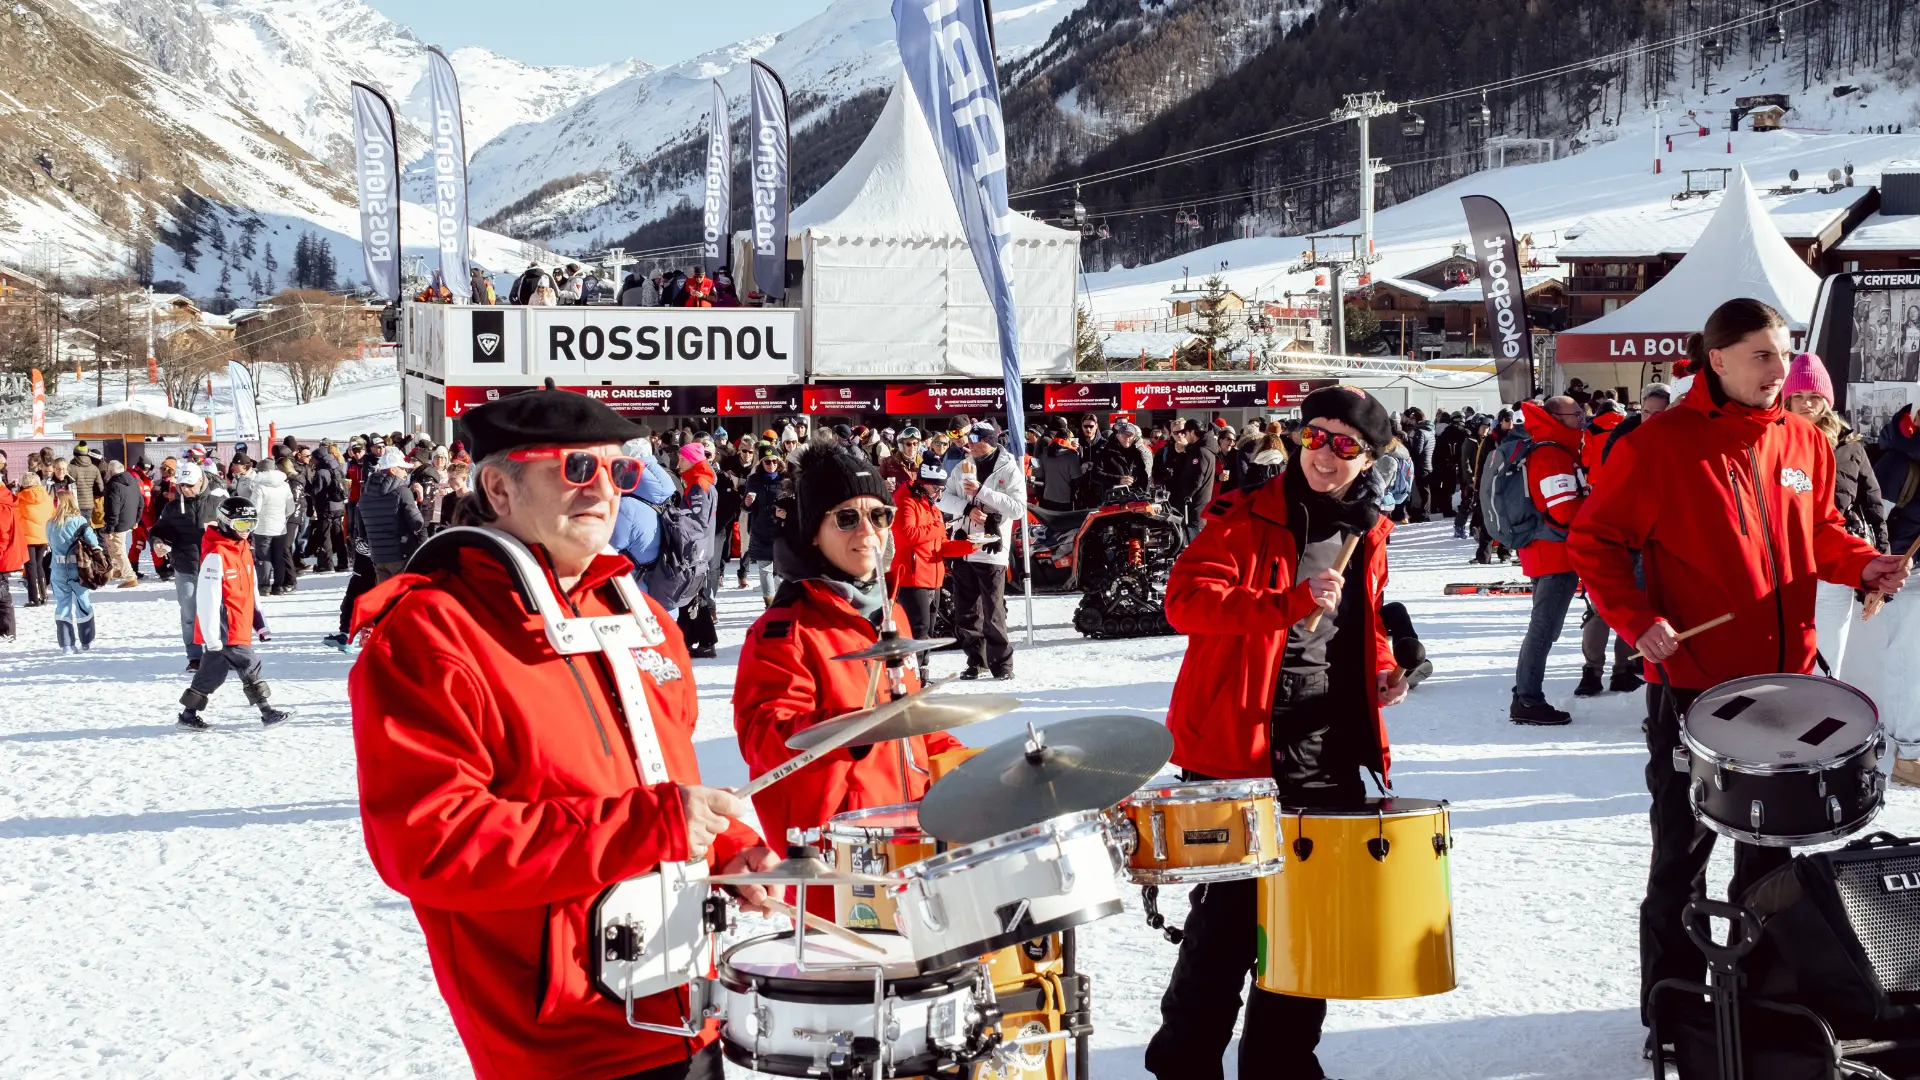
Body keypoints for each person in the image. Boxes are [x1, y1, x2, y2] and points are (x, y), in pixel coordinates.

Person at [348, 387, 775, 1080]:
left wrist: (726, 847)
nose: (603, 490)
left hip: (685, 1006)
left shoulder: (644, 618)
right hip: (561, 1043)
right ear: (499, 487)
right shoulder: (431, 632)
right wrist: (653, 825)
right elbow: (430, 843)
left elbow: (654, 784)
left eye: (621, 472)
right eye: (578, 468)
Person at [1566, 297, 1907, 1035]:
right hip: (1697, 687)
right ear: (1715, 359)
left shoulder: (1803, 442)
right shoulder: (1660, 443)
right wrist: (1636, 618)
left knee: (1774, 859)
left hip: (1788, 681)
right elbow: (1592, 540)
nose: (1777, 370)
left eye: (1783, 355)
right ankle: (1676, 1006)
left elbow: (1818, 533)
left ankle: (1759, 1002)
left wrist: (1865, 564)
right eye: (1760, 355)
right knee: (1683, 856)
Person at [1145, 386, 1406, 1080]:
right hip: (1238, 748)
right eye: (1314, 435)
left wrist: (1382, 669)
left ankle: (1282, 1065)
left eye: (1344, 444)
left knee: (1307, 928)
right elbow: (1186, 602)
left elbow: (1361, 624)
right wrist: (1288, 602)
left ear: (1369, 458)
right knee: (1224, 929)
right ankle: (1185, 1064)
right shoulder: (1245, 514)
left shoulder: (1366, 529)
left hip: (1325, 749)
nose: (1324, 452)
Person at [733, 442, 964, 918]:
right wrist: (852, 726)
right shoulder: (786, 628)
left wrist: (967, 762)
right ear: (812, 532)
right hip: (837, 863)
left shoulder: (889, 612)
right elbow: (764, 737)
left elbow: (910, 723)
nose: (868, 532)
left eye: (879, 516)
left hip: (908, 848)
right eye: (845, 518)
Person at [1505, 396, 1590, 726]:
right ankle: (1527, 698)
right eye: (1577, 413)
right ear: (1557, 418)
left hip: (1546, 551)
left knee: (1542, 629)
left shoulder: (1550, 449)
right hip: (1554, 554)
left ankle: (1525, 696)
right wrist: (1595, 503)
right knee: (1542, 631)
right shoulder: (1552, 454)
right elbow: (1564, 510)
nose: (1583, 418)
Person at [175, 497, 287, 730]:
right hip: (223, 625)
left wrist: (261, 623)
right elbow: (207, 599)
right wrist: (211, 636)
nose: (247, 531)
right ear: (226, 523)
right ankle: (267, 712)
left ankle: (188, 714)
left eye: (251, 525)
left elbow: (251, 590)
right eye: (241, 525)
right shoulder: (216, 554)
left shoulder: (243, 548)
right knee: (249, 663)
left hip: (240, 621)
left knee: (212, 672)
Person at [942, 422, 1024, 680]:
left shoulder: (1009, 469)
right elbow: (943, 498)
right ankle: (976, 660)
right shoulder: (962, 466)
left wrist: (983, 492)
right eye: (971, 441)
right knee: (966, 610)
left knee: (993, 610)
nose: (973, 446)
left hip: (991, 549)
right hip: (964, 546)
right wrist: (966, 509)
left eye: (979, 442)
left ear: (993, 440)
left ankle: (1002, 664)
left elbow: (1018, 509)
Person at [890, 462, 972, 681]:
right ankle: (911, 677)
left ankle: (922, 675)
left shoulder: (931, 507)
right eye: (937, 488)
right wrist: (938, 527)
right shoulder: (906, 502)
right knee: (917, 631)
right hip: (912, 577)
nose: (940, 492)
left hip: (933, 576)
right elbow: (907, 535)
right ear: (925, 484)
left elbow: (942, 545)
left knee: (928, 631)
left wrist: (971, 546)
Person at [150, 462, 226, 671]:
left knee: (219, 612)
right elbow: (159, 530)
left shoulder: (219, 501)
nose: (185, 489)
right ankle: (195, 657)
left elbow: (236, 531)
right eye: (182, 485)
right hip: (185, 566)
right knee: (189, 614)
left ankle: (222, 654)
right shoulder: (173, 507)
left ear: (202, 480)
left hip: (214, 567)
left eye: (190, 485)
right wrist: (158, 543)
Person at [609, 448, 678, 599]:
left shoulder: (625, 506)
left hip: (636, 598)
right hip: (664, 591)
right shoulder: (669, 487)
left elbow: (606, 551)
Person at [673, 442, 720, 658]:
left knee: (691, 594)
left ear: (692, 460)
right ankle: (699, 640)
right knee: (694, 594)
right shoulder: (699, 482)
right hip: (701, 549)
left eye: (682, 459)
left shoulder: (698, 485)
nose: (678, 463)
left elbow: (697, 522)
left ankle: (701, 640)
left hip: (696, 550)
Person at [359, 448, 425, 583]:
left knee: (385, 599)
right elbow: (418, 522)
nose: (406, 473)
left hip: (378, 556)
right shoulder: (402, 492)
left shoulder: (364, 495)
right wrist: (420, 502)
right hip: (401, 554)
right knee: (402, 597)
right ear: (392, 470)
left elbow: (361, 530)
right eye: (403, 469)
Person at [45, 490, 99, 653]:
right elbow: (94, 542)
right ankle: (86, 640)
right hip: (78, 569)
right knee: (83, 603)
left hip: (57, 569)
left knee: (62, 605)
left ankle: (66, 644)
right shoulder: (79, 521)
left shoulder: (49, 523)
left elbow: (50, 544)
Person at [738, 446, 785, 604]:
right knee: (765, 569)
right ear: (761, 463)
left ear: (779, 462)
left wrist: (786, 513)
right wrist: (747, 502)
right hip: (761, 529)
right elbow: (746, 507)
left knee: (783, 570)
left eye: (774, 461)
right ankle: (770, 603)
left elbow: (796, 504)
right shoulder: (754, 480)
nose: (771, 464)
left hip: (782, 531)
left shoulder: (786, 480)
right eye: (767, 462)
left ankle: (784, 602)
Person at [250, 457, 295, 595]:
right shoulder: (284, 485)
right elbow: (291, 507)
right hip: (280, 527)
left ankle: (264, 586)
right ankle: (278, 586)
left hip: (263, 527)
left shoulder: (260, 487)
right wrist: (283, 516)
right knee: (279, 556)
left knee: (264, 557)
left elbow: (255, 508)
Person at [1161, 420, 1218, 525]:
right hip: (1195, 507)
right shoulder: (1201, 450)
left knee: (1193, 538)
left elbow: (1195, 480)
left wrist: (1183, 499)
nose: (1183, 436)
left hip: (1194, 509)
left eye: (1185, 433)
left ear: (1192, 433)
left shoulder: (1201, 452)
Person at [101, 459, 144, 588]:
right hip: (129, 521)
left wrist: (109, 529)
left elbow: (113, 509)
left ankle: (130, 577)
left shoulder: (113, 485)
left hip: (118, 523)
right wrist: (136, 520)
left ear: (110, 471)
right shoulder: (133, 481)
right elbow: (141, 502)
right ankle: (117, 570)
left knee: (118, 550)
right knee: (113, 547)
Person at [1084, 420, 1152, 496]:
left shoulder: (1138, 453)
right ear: (1118, 436)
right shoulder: (1106, 452)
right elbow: (1095, 475)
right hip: (1113, 497)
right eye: (1124, 435)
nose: (1127, 438)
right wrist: (1118, 480)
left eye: (1130, 435)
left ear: (1134, 437)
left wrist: (1144, 491)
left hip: (1135, 496)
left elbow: (1145, 476)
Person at [16, 473, 52, 607]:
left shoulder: (20, 498)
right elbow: (52, 513)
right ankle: (44, 595)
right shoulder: (47, 497)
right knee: (39, 564)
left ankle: (34, 597)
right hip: (43, 535)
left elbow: (17, 516)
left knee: (30, 566)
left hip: (27, 536)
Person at [1034, 416, 1082, 511]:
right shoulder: (1070, 454)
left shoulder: (1045, 450)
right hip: (1064, 498)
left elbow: (1039, 474)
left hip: (1048, 495)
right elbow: (1076, 479)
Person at [1400, 407, 1434, 522]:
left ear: (1416, 419)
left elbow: (1417, 451)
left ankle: (1423, 514)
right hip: (1428, 464)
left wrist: (1408, 444)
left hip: (1421, 465)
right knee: (1425, 490)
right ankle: (1425, 513)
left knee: (1422, 491)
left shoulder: (1420, 432)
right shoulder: (1430, 431)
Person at [0, 475, 23, 641]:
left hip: (3, 555)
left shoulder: (2, 504)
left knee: (2, 593)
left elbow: (3, 534)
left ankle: (7, 631)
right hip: (5, 553)